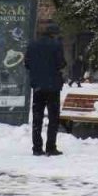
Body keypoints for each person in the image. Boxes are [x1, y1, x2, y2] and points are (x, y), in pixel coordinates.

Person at [25, 22, 66, 157]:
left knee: (37, 117)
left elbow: (27, 63)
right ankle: (50, 147)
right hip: (53, 86)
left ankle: (37, 147)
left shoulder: (33, 45)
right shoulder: (56, 45)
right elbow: (61, 63)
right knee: (53, 118)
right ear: (54, 34)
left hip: (38, 86)